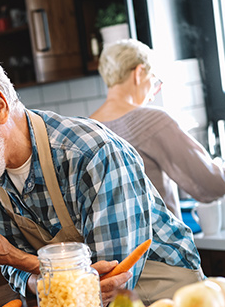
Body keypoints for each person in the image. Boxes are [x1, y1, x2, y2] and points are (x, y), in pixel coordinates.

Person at [0, 42, 204, 306]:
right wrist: (41, 279)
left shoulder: (90, 153)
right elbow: (20, 274)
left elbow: (110, 279)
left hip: (166, 303)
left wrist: (16, 258)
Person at [91, 38, 225, 219]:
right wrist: (218, 165)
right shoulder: (152, 120)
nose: (153, 96)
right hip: (159, 244)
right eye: (153, 80)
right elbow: (212, 185)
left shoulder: (85, 128)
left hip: (110, 246)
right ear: (138, 73)